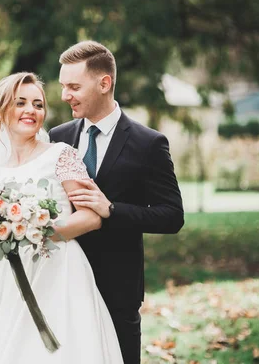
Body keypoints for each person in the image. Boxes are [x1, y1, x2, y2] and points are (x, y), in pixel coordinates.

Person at [0, 72, 123, 364]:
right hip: (12, 279)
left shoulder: (61, 155)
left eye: (38, 105)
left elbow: (92, 217)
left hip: (61, 272)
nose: (31, 111)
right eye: (21, 103)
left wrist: (38, 230)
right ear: (1, 111)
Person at [48, 40, 185, 363]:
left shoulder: (148, 143)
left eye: (73, 86)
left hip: (117, 290)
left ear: (104, 83)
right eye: (63, 86)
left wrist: (111, 210)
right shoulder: (58, 137)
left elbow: (172, 216)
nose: (65, 95)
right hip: (62, 284)